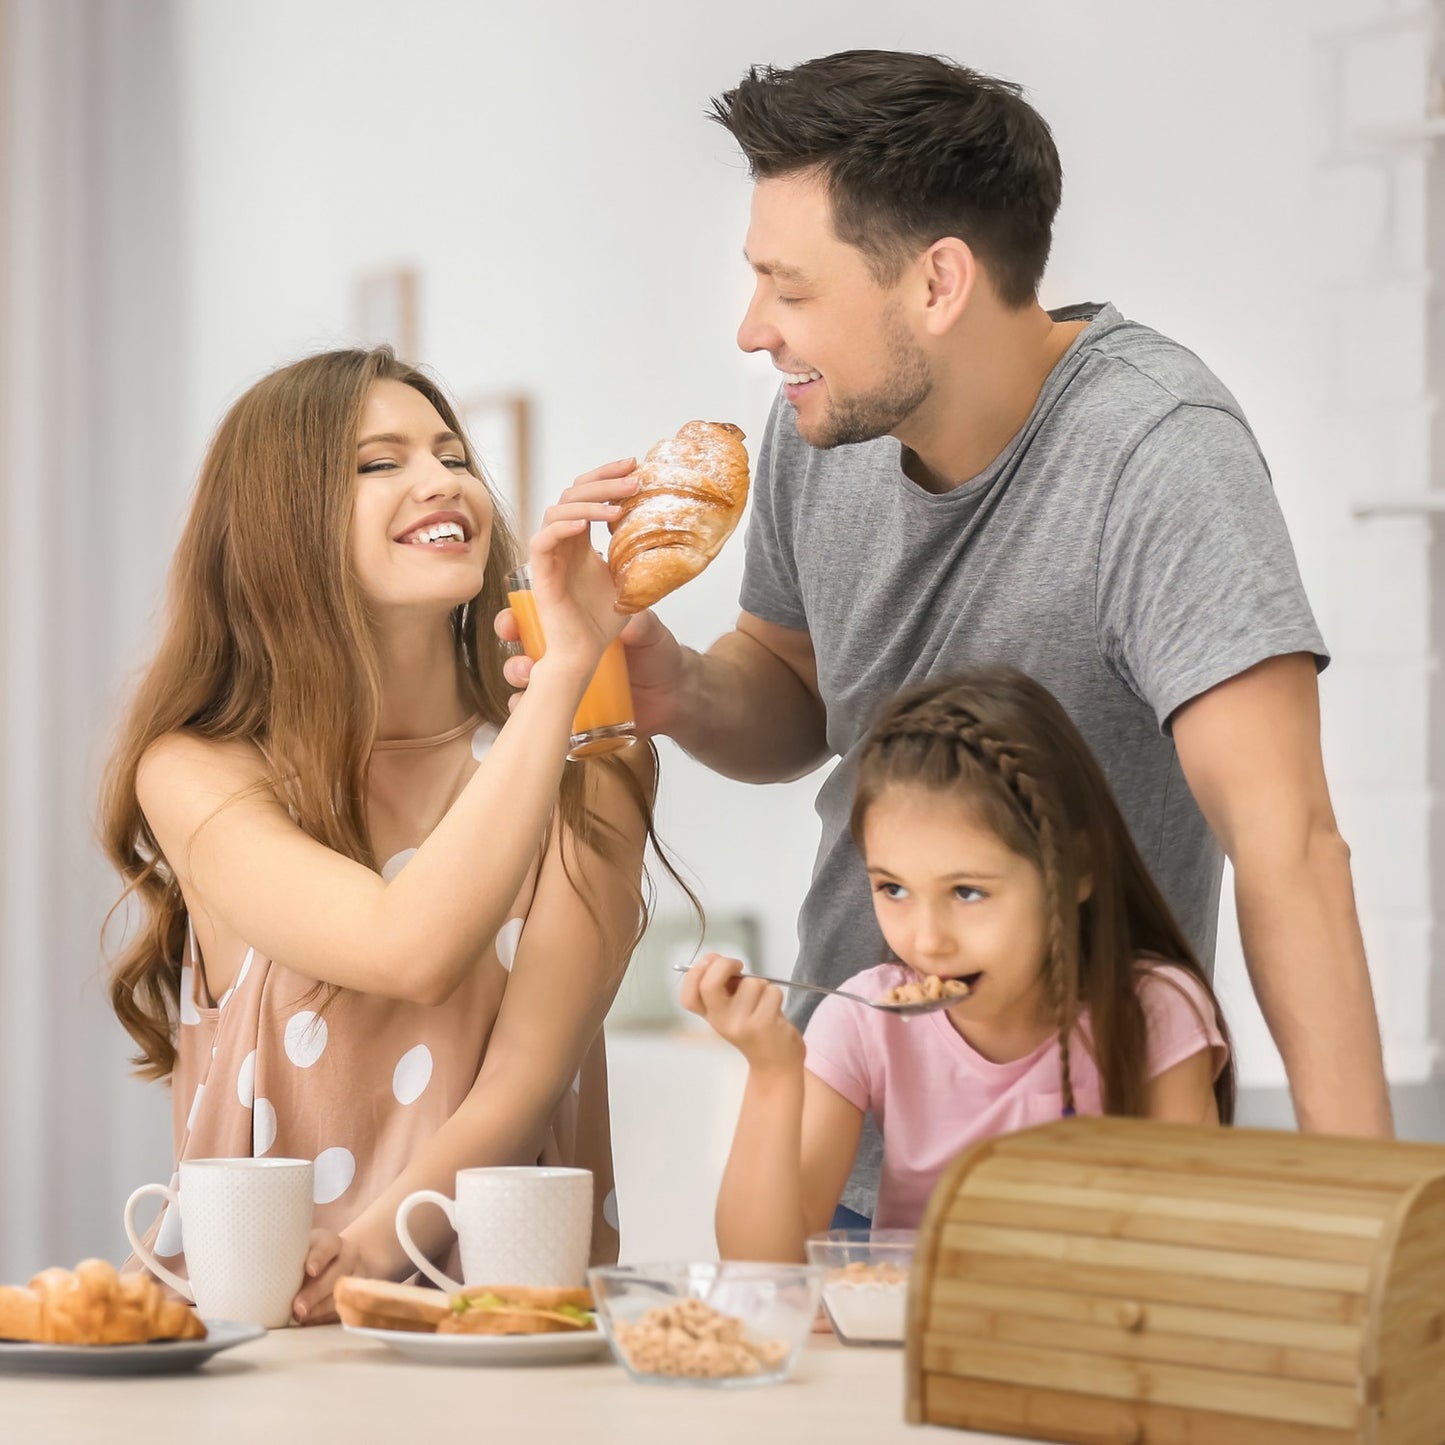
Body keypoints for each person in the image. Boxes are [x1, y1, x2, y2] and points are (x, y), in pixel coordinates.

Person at [503, 49, 1391, 1224]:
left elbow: (1288, 845)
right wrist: (679, 689)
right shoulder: (813, 433)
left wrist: (1372, 1226)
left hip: (1095, 1185)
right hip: (851, 1164)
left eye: (790, 285)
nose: (752, 329)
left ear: (937, 282)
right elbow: (795, 689)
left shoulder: (1157, 453)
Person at [101, 347, 659, 1322]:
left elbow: (522, 1081)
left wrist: (361, 1251)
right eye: (378, 462)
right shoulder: (197, 769)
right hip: (252, 1332)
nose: (440, 480)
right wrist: (558, 683)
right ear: (281, 523)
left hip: (497, 1331)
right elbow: (406, 946)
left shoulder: (590, 766)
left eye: (449, 454)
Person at [681, 670, 1232, 1260]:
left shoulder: (1154, 1011)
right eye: (893, 889)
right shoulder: (865, 1021)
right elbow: (762, 1268)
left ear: (1075, 872)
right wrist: (772, 1072)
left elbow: (1186, 1252)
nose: (927, 940)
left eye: (967, 892)